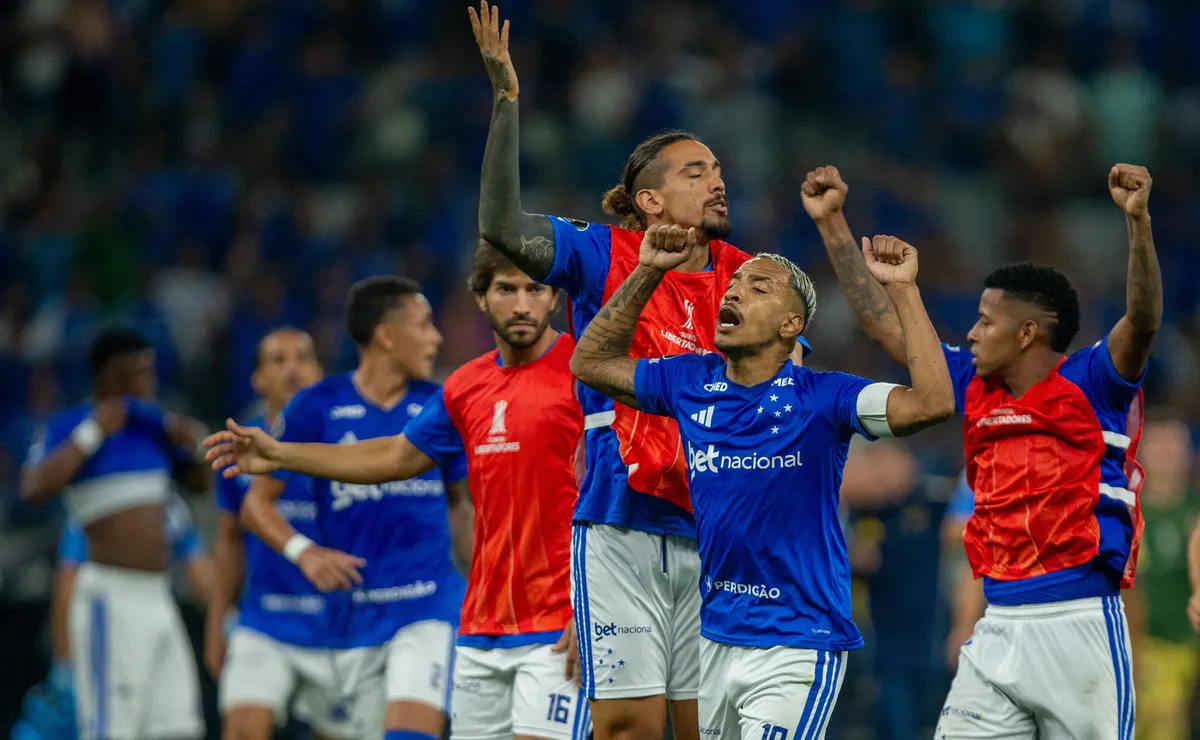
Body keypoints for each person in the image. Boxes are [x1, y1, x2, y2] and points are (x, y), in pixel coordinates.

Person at [469, 7, 804, 739]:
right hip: (620, 523)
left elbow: (789, 392)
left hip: (719, 530)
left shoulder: (751, 276)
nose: (717, 182)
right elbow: (501, 226)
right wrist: (508, 101)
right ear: (650, 201)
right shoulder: (599, 253)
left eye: (718, 170)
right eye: (695, 172)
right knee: (628, 728)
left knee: (706, 728)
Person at [812, 163, 1161, 738]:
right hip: (996, 625)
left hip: (1078, 622)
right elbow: (885, 325)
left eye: (985, 321)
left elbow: (1142, 322)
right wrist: (832, 224)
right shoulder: (972, 384)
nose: (971, 333)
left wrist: (1138, 223)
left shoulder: (1093, 381)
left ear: (1026, 333)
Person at [568, 225, 954, 739]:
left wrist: (903, 289)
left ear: (792, 324)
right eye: (733, 286)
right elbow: (588, 363)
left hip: (795, 643)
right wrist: (647, 272)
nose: (734, 292)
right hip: (715, 640)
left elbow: (933, 402)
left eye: (759, 287)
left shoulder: (824, 398)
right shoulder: (689, 381)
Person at [206, 244, 591, 740]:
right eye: (505, 289)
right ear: (481, 298)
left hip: (490, 615)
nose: (521, 304)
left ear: (556, 298)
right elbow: (392, 457)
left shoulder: (583, 374)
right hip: (446, 626)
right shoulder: (461, 389)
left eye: (534, 289)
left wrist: (592, 605)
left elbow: (472, 508)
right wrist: (282, 459)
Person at [207, 276, 472, 740]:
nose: (436, 338)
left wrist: (483, 587)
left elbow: (462, 507)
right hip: (352, 618)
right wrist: (304, 552)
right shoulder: (317, 407)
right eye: (424, 325)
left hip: (427, 606)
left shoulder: (440, 407)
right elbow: (255, 505)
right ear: (386, 335)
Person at [21, 328, 210, 740]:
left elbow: (199, 485)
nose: (151, 380)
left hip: (160, 597)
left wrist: (195, 443)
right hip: (110, 598)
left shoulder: (153, 425)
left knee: (177, 727)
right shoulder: (72, 424)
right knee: (113, 730)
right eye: (142, 371)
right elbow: (33, 487)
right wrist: (93, 433)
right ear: (111, 374)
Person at [205, 327, 342, 740]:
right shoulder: (237, 447)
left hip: (338, 628)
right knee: (242, 730)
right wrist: (216, 621)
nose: (292, 369)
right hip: (264, 623)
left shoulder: (349, 444)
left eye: (303, 358)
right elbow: (229, 539)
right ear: (258, 379)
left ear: (320, 372)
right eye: (278, 360)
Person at [1129, 417, 1198, 740]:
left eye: (1176, 443)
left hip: (1179, 647)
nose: (1168, 452)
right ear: (1141, 449)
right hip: (1129, 647)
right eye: (1159, 443)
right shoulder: (1124, 510)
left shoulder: (1193, 511)